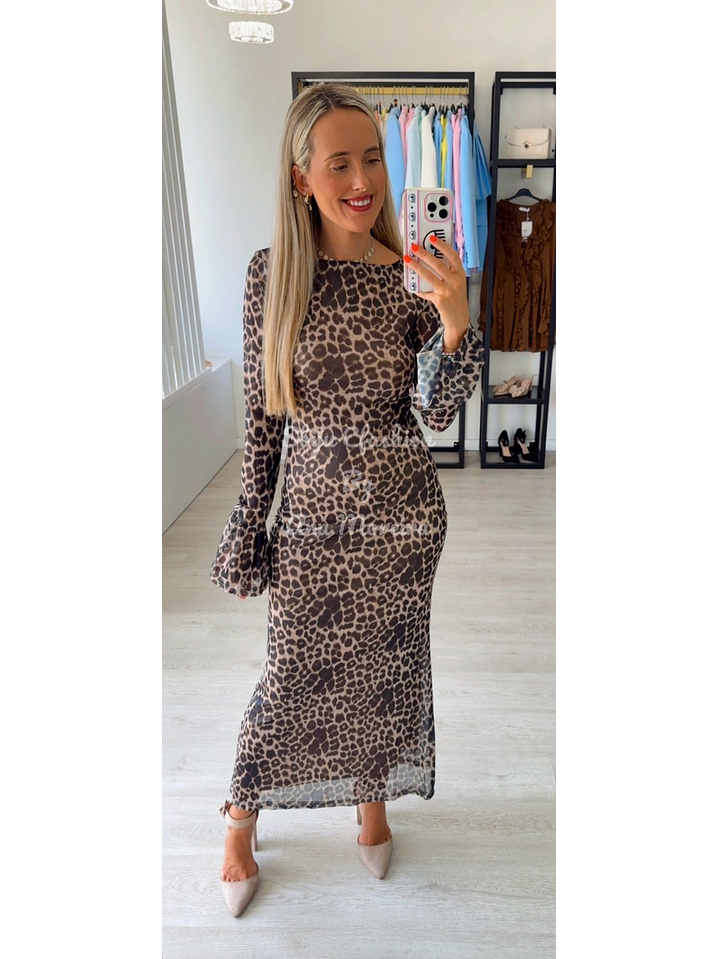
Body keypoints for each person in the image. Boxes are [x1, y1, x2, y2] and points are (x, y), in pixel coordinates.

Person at [210, 82, 485, 917]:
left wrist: (454, 318)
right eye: (340, 163)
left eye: (373, 159)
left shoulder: (409, 277)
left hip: (402, 521)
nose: (362, 179)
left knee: (385, 671)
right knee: (290, 675)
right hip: (310, 520)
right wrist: (250, 525)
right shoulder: (271, 276)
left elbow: (438, 411)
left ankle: (372, 801)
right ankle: (239, 814)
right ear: (301, 177)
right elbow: (262, 420)